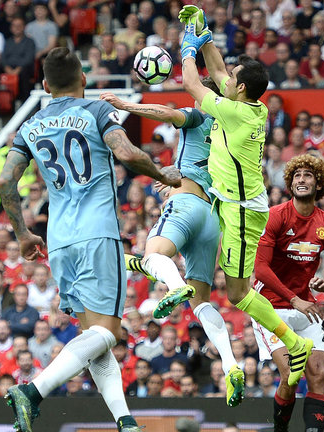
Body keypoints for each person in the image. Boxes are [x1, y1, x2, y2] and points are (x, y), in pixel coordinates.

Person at [0, 47, 181, 432]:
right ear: (83, 79)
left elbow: (5, 181)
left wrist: (22, 232)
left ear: (45, 86)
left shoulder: (28, 126)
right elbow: (127, 153)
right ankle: (33, 391)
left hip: (59, 240)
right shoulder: (95, 111)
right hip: (98, 233)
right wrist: (165, 176)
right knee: (108, 330)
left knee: (94, 336)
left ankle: (124, 420)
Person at [178, 5, 312, 387]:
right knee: (234, 287)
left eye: (234, 77)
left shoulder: (237, 114)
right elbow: (219, 72)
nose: (226, 77)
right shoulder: (249, 104)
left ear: (240, 90)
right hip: (234, 203)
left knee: (237, 293)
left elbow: (193, 84)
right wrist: (204, 33)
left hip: (239, 211)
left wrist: (189, 47)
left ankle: (293, 342)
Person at [100, 84, 243, 407]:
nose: (195, 95)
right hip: (211, 220)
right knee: (202, 301)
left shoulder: (201, 116)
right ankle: (232, 363)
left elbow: (166, 113)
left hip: (185, 204)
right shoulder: (237, 132)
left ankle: (173, 284)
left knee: (155, 255)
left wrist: (126, 105)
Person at [253, 155, 324, 432]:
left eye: (307, 175)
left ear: (319, 184)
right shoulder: (275, 215)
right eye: (296, 175)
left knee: (319, 374)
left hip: (306, 307)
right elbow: (260, 269)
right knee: (290, 376)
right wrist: (294, 299)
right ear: (290, 183)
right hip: (271, 307)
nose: (301, 179)